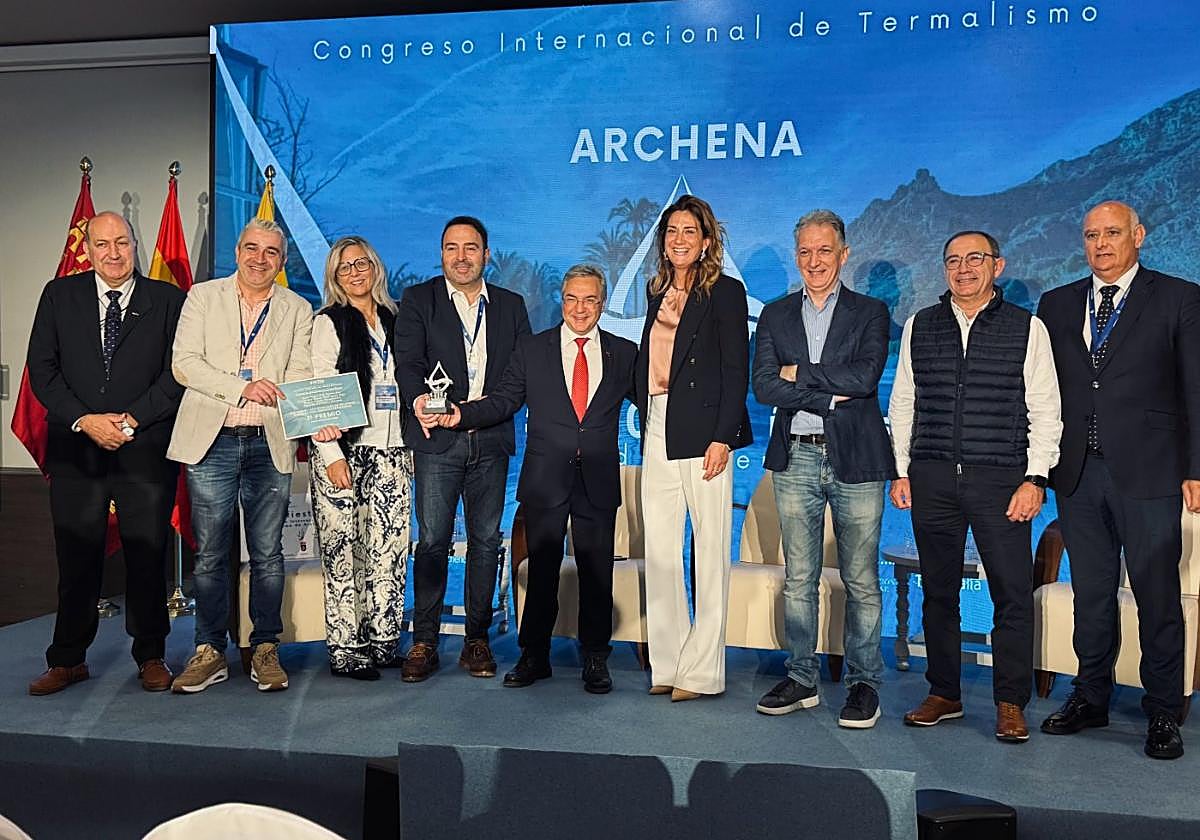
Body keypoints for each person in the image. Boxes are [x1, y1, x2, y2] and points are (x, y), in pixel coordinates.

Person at [1036, 201, 1200, 760]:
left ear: (1139, 236)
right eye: (1091, 235)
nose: (1101, 244)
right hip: (1077, 473)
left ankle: (1162, 711)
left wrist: (1196, 468)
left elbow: (1197, 389)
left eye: (1112, 233)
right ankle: (1090, 696)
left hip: (1152, 472)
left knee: (1157, 596)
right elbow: (1043, 394)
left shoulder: (1179, 297)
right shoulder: (1056, 304)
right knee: (1092, 595)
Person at [889, 230, 1061, 742]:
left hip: (1001, 481)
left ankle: (1010, 702)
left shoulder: (1027, 329)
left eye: (974, 259)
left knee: (1010, 593)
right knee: (938, 592)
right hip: (932, 476)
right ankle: (944, 693)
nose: (963, 269)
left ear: (997, 266)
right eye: (953, 261)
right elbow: (903, 402)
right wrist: (902, 469)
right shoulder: (921, 325)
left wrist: (1035, 479)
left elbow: (1046, 409)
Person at [440, 265, 637, 693]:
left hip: (598, 481)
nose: (579, 308)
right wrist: (460, 414)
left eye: (589, 300)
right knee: (543, 571)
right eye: (571, 298)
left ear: (602, 304)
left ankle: (596, 658)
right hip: (546, 479)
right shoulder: (533, 350)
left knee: (597, 574)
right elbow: (504, 400)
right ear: (561, 301)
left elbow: (657, 401)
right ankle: (534, 656)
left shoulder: (624, 353)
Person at [25, 211, 185, 695]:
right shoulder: (59, 295)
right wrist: (87, 421)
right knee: (77, 558)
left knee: (147, 555)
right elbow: (43, 369)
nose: (113, 253)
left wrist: (132, 419)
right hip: (78, 449)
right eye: (102, 244)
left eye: (121, 242)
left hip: (145, 448)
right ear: (88, 249)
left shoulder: (167, 299)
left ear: (134, 245)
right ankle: (68, 658)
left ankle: (151, 655)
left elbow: (179, 371)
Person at [751, 210, 894, 727]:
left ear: (844, 253)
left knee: (861, 579)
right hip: (796, 454)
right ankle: (802, 677)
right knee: (799, 578)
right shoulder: (775, 315)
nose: (815, 261)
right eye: (806, 252)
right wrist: (827, 392)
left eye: (825, 250)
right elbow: (765, 386)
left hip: (856, 455)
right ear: (798, 257)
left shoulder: (871, 311)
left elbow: (863, 377)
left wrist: (802, 376)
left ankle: (863, 683)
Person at [167, 217, 314, 694]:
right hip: (211, 441)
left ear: (282, 261)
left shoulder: (297, 307)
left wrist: (291, 397)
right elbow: (184, 364)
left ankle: (265, 646)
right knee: (209, 554)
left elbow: (299, 371)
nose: (260, 259)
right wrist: (243, 387)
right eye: (252, 248)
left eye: (271, 252)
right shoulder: (203, 297)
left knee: (268, 554)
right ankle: (209, 650)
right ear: (238, 252)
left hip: (268, 442)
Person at [393, 216, 531, 681]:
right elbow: (407, 364)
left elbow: (517, 382)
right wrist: (418, 400)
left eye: (471, 248)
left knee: (486, 542)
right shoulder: (418, 300)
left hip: (489, 440)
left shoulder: (512, 307)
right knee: (431, 540)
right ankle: (425, 641)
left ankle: (476, 639)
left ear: (486, 254)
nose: (461, 256)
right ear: (441, 253)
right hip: (437, 441)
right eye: (451, 247)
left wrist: (468, 414)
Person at [635, 194, 752, 702]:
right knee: (659, 551)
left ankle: (701, 672)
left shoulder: (725, 292)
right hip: (657, 426)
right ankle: (668, 662)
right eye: (672, 231)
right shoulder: (655, 290)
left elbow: (735, 369)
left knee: (708, 551)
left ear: (706, 241)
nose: (679, 240)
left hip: (706, 434)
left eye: (689, 231)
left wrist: (723, 436)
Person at [309, 236, 412, 681]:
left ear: (376, 267)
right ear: (335, 276)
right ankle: (348, 647)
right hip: (345, 451)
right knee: (343, 550)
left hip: (395, 449)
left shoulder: (398, 317)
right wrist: (331, 455)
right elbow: (318, 388)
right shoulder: (328, 322)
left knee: (389, 549)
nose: (355, 272)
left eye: (362, 263)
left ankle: (385, 638)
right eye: (344, 266)